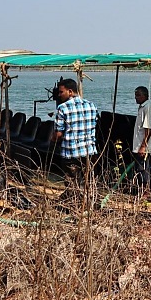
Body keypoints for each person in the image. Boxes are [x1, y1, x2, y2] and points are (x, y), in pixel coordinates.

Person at [51, 78, 98, 207]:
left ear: (70, 92)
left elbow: (59, 133)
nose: (59, 95)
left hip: (71, 153)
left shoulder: (63, 108)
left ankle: (74, 207)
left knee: (72, 182)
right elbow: (94, 126)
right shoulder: (91, 105)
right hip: (89, 151)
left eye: (61, 92)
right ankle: (89, 205)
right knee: (88, 182)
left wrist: (53, 139)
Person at [132, 86, 151, 198]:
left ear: (145, 96)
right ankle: (143, 191)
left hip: (144, 146)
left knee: (143, 169)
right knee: (141, 168)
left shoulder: (147, 107)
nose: (136, 98)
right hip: (139, 144)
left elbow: (148, 128)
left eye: (138, 95)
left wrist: (143, 146)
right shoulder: (142, 107)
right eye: (135, 95)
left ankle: (145, 192)